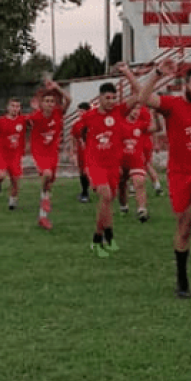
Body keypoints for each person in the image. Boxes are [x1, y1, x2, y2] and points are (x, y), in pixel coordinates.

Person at [120, 60, 191, 300]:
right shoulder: (171, 104)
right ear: (185, 85)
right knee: (184, 227)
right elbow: (144, 99)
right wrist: (157, 74)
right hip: (179, 174)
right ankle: (182, 278)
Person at [76, 83, 125, 257]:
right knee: (105, 196)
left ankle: (109, 238)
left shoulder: (119, 112)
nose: (111, 101)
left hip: (113, 165)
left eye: (113, 98)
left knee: (108, 202)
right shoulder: (89, 116)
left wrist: (127, 73)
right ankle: (96, 240)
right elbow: (77, 132)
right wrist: (85, 147)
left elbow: (140, 98)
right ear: (100, 98)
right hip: (96, 164)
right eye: (107, 98)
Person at [24, 78, 71, 230]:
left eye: (52, 101)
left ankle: (42, 217)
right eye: (47, 101)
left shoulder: (58, 113)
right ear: (41, 103)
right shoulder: (35, 117)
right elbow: (22, 124)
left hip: (52, 152)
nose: (50, 104)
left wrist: (57, 87)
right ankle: (44, 202)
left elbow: (68, 99)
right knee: (47, 174)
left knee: (49, 181)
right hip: (39, 152)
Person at [115, 77, 153, 222]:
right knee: (122, 184)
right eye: (134, 108)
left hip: (136, 159)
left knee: (139, 182)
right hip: (121, 158)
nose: (137, 111)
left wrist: (155, 115)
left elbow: (156, 128)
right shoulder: (120, 122)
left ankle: (142, 210)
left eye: (138, 108)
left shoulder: (141, 124)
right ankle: (123, 206)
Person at [0, 98, 27, 210]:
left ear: (20, 108)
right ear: (8, 108)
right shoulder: (0, 120)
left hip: (16, 154)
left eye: (17, 106)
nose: (15, 109)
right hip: (2, 153)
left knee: (15, 179)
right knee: (1, 175)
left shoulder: (23, 119)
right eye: (13, 106)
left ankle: (12, 203)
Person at [70, 101, 92, 203]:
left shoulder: (93, 123)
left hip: (92, 152)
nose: (80, 114)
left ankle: (86, 192)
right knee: (82, 172)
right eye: (79, 111)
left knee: (88, 171)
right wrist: (72, 152)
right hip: (81, 152)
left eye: (82, 111)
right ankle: (84, 192)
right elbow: (73, 138)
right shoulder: (76, 124)